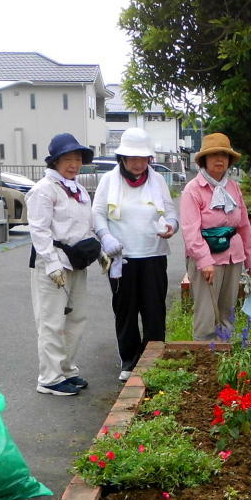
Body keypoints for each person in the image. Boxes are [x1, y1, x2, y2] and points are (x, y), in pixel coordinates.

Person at [92, 127, 179, 381]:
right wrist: (105, 236)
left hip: (153, 254)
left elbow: (170, 212)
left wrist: (171, 226)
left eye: (143, 158)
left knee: (154, 309)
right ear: (123, 158)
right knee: (125, 310)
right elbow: (97, 213)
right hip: (120, 257)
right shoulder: (109, 180)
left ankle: (153, 359)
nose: (139, 164)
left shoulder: (158, 180)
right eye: (133, 158)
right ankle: (129, 360)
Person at [27, 132, 99, 396]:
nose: (73, 164)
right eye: (67, 159)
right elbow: (39, 230)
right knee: (51, 320)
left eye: (77, 158)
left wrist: (98, 250)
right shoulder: (43, 190)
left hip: (77, 261)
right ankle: (49, 377)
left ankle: (67, 369)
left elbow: (86, 225)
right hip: (52, 263)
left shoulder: (78, 190)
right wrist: (51, 264)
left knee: (76, 317)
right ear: (55, 161)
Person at [179, 132, 251, 341]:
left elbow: (243, 224)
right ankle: (205, 361)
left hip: (233, 256)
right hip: (207, 260)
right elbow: (190, 230)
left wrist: (250, 258)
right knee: (206, 314)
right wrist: (205, 261)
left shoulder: (233, 187)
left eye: (224, 155)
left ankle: (225, 356)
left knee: (227, 310)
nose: (220, 159)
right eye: (214, 155)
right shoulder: (193, 190)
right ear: (204, 160)